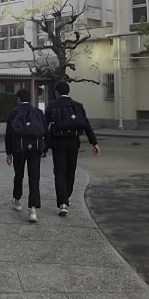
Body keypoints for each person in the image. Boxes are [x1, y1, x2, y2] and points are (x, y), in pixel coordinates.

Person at [45, 81, 100, 216]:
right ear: (68, 91)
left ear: (57, 92)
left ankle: (62, 203)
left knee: (59, 172)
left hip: (57, 142)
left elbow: (45, 126)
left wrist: (44, 146)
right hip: (73, 142)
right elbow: (86, 124)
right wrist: (94, 143)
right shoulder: (77, 105)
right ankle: (68, 196)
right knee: (71, 170)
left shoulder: (52, 105)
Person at [5, 88, 48, 223]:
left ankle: (17, 200)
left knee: (19, 174)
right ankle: (33, 210)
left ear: (18, 99)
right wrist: (44, 148)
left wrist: (9, 152)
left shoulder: (13, 113)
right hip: (35, 148)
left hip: (19, 148)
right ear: (30, 98)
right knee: (34, 177)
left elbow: (8, 134)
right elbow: (45, 131)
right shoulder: (38, 112)